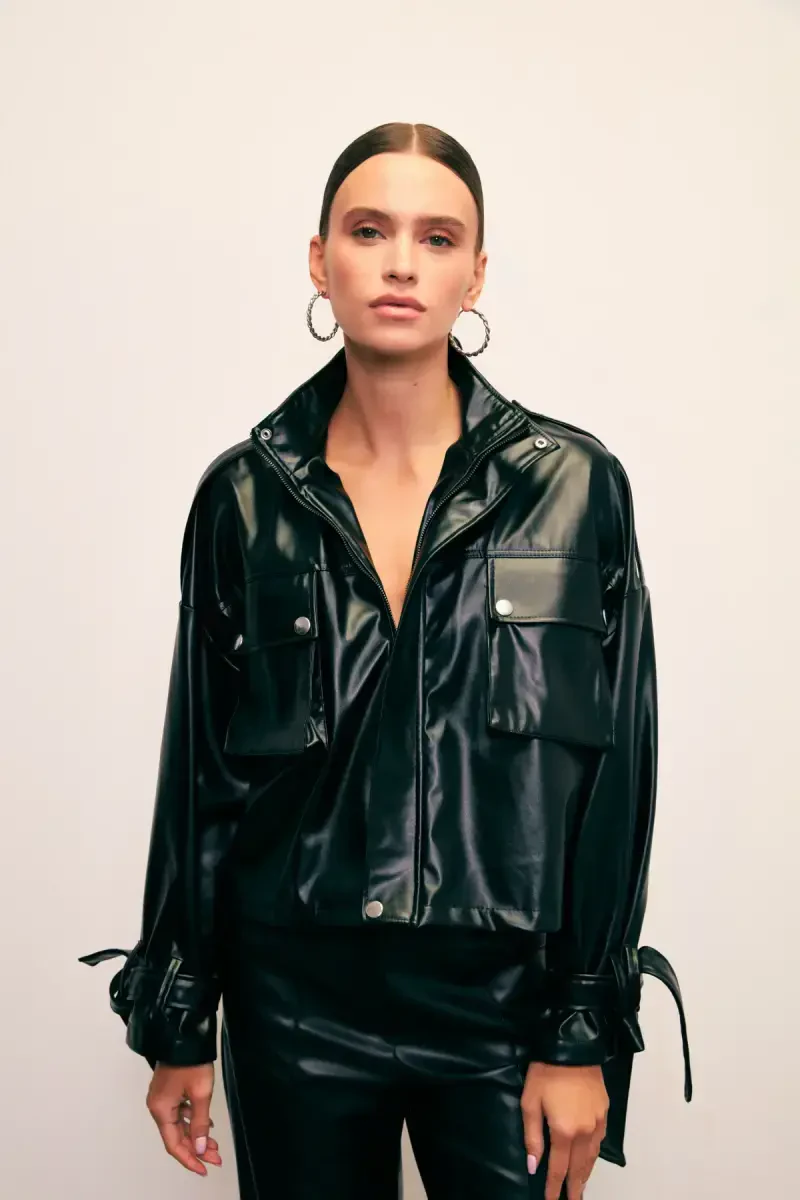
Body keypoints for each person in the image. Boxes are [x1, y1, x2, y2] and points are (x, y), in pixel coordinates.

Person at [79, 121, 692, 1199]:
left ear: (475, 274)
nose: (401, 262)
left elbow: (615, 779)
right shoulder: (243, 496)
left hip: (505, 1008)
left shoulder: (573, 487)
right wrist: (180, 1012)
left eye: (436, 237)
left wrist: (580, 1023)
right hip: (292, 1005)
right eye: (369, 231)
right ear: (320, 261)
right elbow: (200, 779)